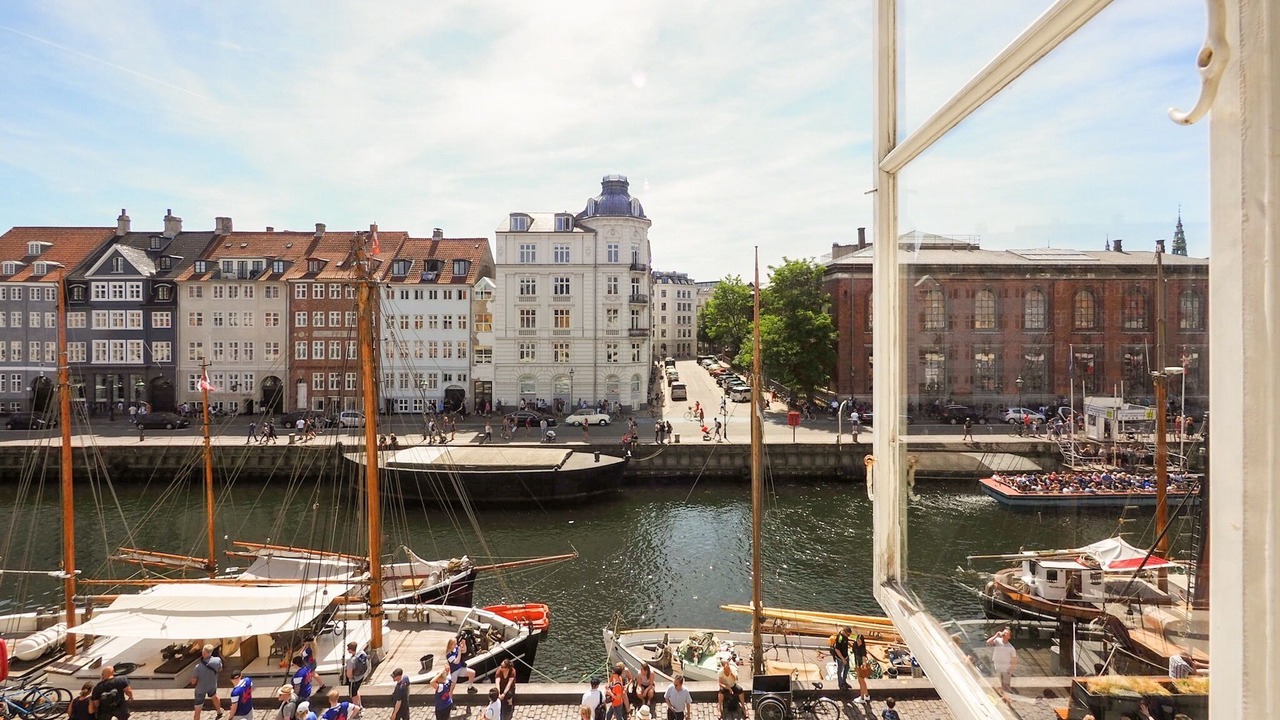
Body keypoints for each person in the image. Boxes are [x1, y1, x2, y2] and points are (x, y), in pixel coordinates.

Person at [192, 643, 225, 720]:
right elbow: (220, 669)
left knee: (197, 710)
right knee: (214, 696)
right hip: (212, 685)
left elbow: (193, 681)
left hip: (200, 689)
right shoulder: (217, 660)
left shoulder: (198, 667)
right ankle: (219, 711)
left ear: (203, 653)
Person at [987, 627, 1017, 695]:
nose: (1004, 634)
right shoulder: (997, 640)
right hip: (997, 665)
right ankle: (999, 694)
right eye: (1004, 632)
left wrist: (1011, 668)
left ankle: (1008, 695)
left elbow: (1014, 659)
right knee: (998, 682)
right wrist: (996, 635)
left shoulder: (1011, 648)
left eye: (1006, 633)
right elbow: (988, 642)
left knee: (1006, 684)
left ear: (1009, 637)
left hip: (1006, 667)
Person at [344, 641, 370, 706]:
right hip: (361, 677)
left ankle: (356, 708)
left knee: (353, 695)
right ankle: (360, 705)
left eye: (348, 649)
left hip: (354, 680)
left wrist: (350, 677)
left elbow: (349, 675)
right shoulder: (362, 653)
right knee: (356, 690)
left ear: (350, 650)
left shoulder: (351, 661)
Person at [831, 626, 851, 691]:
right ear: (844, 632)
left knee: (847, 668)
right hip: (840, 658)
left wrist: (850, 644)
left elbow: (846, 641)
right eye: (848, 635)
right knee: (840, 671)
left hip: (846, 656)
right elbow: (837, 649)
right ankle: (840, 684)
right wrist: (843, 659)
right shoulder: (840, 638)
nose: (848, 636)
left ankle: (844, 681)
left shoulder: (845, 636)